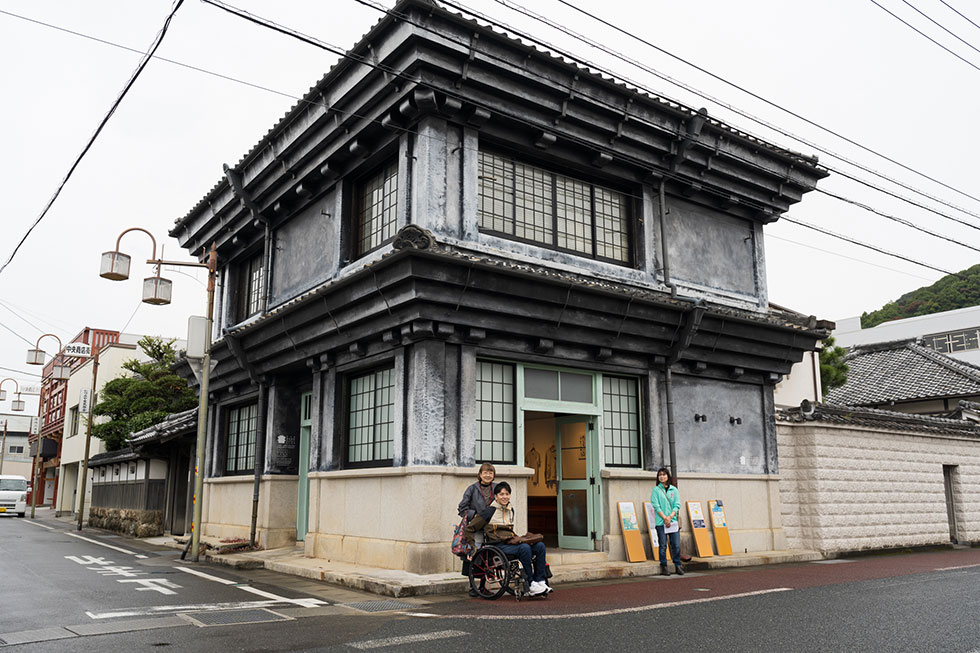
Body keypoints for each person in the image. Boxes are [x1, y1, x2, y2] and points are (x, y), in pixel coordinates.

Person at [464, 482, 552, 596]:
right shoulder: (489, 511)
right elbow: (469, 528)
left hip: (510, 542)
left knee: (540, 546)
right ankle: (530, 584)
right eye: (501, 494)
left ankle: (540, 581)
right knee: (524, 548)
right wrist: (473, 546)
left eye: (507, 494)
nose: (504, 497)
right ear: (496, 497)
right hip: (497, 545)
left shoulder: (510, 510)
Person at [458, 464, 497, 596]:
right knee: (474, 555)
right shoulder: (472, 489)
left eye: (491, 473)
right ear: (480, 474)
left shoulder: (497, 488)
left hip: (492, 528)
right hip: (475, 529)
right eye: (485, 472)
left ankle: (483, 586)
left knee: (489, 558)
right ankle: (472, 586)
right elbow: (462, 508)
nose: (488, 475)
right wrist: (473, 515)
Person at [650, 467, 684, 576]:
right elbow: (656, 505)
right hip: (661, 522)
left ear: (668, 476)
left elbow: (677, 504)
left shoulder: (674, 490)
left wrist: (670, 517)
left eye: (664, 474)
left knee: (676, 545)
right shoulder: (656, 490)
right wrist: (665, 518)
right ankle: (664, 565)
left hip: (673, 521)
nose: (662, 476)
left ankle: (677, 565)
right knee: (663, 545)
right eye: (660, 475)